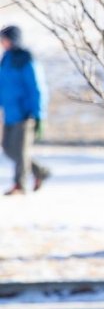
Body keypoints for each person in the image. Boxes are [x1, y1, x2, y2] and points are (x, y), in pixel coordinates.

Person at [0, 25, 50, 196]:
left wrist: (39, 115)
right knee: (7, 148)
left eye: (4, 39)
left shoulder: (26, 59)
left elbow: (37, 88)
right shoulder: (6, 58)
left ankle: (19, 185)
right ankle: (39, 171)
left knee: (21, 151)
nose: (2, 43)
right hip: (10, 113)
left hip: (25, 113)